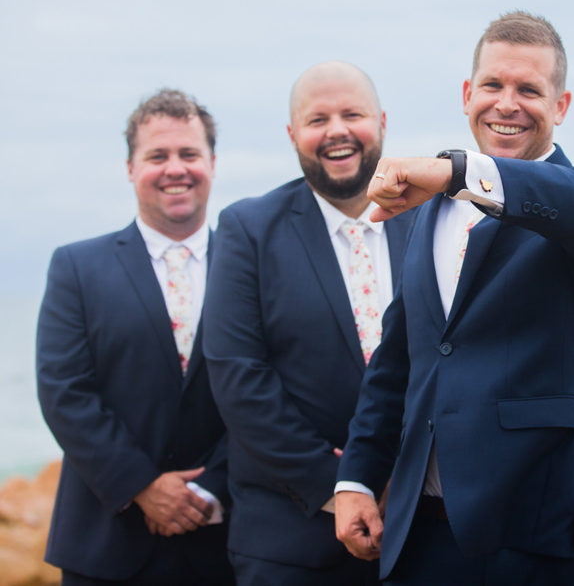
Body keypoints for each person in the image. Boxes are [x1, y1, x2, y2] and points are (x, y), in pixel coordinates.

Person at [332, 11, 574, 585]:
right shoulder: (427, 212)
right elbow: (402, 357)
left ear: (562, 105)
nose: (508, 103)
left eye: (530, 89)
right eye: (493, 86)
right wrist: (356, 479)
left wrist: (458, 170)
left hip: (535, 535)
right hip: (418, 533)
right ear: (467, 94)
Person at [203, 62, 414, 585]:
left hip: (420, 523)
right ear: (294, 134)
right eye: (317, 119)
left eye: (353, 114)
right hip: (290, 539)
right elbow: (239, 380)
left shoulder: (430, 220)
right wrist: (342, 486)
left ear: (382, 121)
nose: (337, 130)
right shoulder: (247, 230)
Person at [36, 89, 232, 584]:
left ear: (212, 161)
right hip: (105, 541)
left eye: (189, 154)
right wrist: (142, 485)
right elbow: (64, 391)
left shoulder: (250, 266)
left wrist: (211, 489)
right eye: (157, 156)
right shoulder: (77, 267)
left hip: (224, 542)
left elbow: (268, 385)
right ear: (130, 167)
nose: (175, 169)